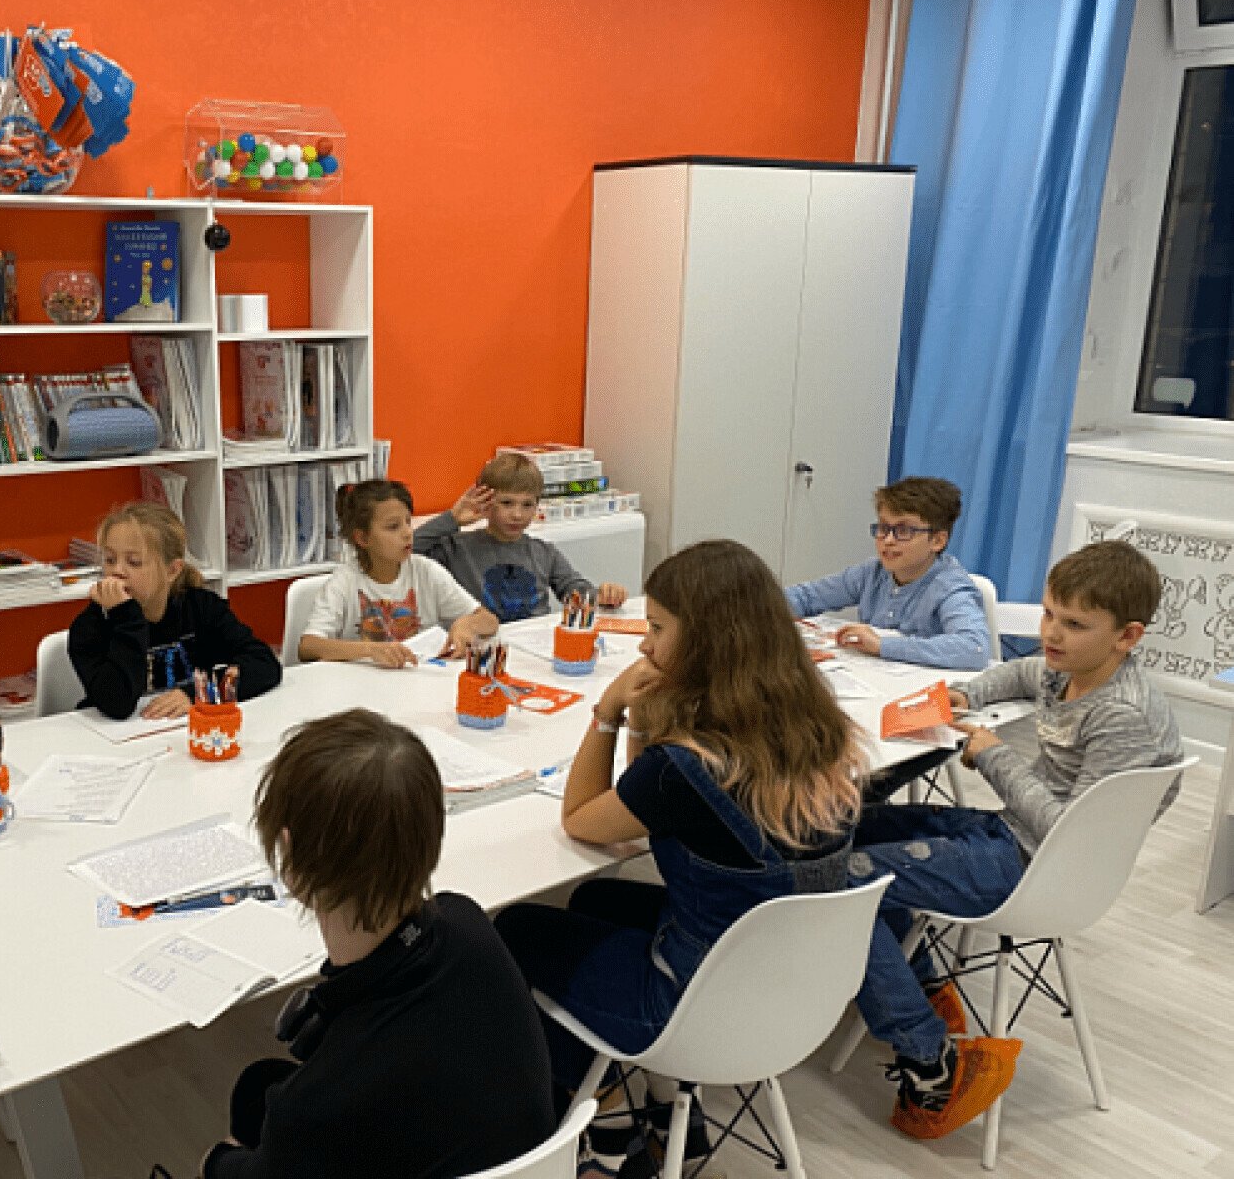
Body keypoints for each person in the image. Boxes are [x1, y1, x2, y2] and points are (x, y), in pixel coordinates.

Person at [494, 539, 865, 1164]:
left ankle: (609, 1125)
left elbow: (584, 820)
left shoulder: (686, 768)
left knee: (514, 930)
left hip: (697, 1007)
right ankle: (675, 1123)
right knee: (596, 898)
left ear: (708, 642)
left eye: (658, 629)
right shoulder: (821, 729)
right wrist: (645, 721)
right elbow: (641, 812)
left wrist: (609, 711)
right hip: (795, 991)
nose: (644, 646)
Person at [849, 540, 1183, 1141]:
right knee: (853, 827)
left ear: (1127, 637)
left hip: (1038, 866)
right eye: (1050, 613)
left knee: (852, 881)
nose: (1050, 632)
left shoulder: (1123, 716)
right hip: (1014, 836)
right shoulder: (1070, 669)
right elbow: (1024, 672)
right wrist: (971, 694)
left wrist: (994, 756)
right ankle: (922, 987)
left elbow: (1066, 832)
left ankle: (930, 1060)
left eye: (1074, 624)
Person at [198, 709, 555, 1179]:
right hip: (523, 1159)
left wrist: (214, 1162)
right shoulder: (465, 923)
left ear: (292, 858)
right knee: (258, 1087)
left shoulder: (314, 1109)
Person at [69, 502, 281, 720]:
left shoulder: (201, 608)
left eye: (134, 562)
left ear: (172, 570)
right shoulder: (90, 626)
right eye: (110, 560)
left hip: (185, 726)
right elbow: (117, 705)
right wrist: (125, 617)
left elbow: (264, 664)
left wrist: (197, 693)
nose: (117, 571)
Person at [783, 476, 992, 670]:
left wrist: (882, 645)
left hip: (927, 688)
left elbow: (974, 648)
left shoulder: (950, 587)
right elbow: (807, 597)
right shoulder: (872, 572)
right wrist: (767, 608)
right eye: (883, 528)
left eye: (904, 531)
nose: (888, 540)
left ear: (937, 541)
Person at [298, 480, 498, 667]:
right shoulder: (344, 581)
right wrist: (370, 650)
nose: (408, 532)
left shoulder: (427, 571)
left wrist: (468, 624)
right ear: (363, 538)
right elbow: (307, 647)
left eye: (408, 522)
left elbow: (489, 620)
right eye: (393, 527)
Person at [415, 452, 629, 623]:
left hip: (533, 642)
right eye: (507, 503)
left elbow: (574, 589)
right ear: (486, 502)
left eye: (527, 505)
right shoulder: (456, 548)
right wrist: (453, 518)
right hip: (482, 642)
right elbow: (406, 550)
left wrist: (603, 595)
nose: (517, 515)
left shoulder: (544, 552)